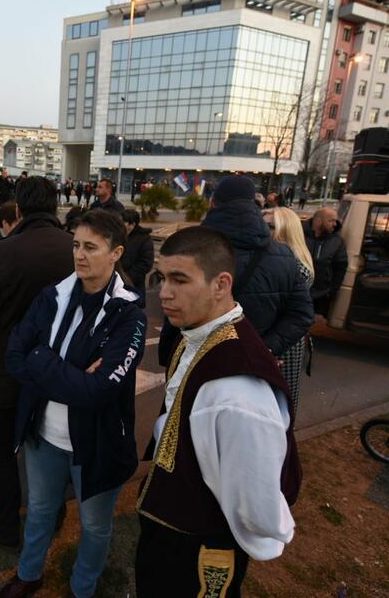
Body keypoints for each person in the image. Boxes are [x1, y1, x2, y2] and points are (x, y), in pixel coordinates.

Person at [135, 226, 301, 596]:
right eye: (162, 278)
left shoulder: (238, 390)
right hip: (172, 525)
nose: (164, 292)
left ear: (221, 284)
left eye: (180, 279)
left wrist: (251, 537)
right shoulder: (200, 334)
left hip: (199, 545)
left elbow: (255, 498)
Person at [0, 210, 146, 598]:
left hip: (96, 442)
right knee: (41, 510)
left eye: (91, 247)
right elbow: (14, 354)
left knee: (95, 526)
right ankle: (29, 575)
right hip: (44, 434)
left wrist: (42, 360)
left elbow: (98, 392)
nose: (80, 255)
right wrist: (71, 374)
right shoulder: (53, 296)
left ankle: (84, 587)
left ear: (115, 253)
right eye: (77, 245)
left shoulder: (128, 313)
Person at [0, 176, 74, 548]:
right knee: (51, 443)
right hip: (61, 367)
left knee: (3, 449)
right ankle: (52, 514)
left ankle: (5, 522)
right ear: (55, 207)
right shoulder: (79, 249)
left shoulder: (0, 253)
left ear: (18, 209)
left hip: (7, 365)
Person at [159, 175, 314, 365]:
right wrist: (265, 348)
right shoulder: (284, 255)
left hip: (195, 358)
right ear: (255, 203)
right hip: (250, 365)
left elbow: (175, 304)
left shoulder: (193, 247)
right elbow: (302, 314)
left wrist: (169, 352)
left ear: (212, 203)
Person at [269, 207, 314, 413]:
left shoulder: (293, 264)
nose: (263, 230)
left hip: (283, 342)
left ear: (284, 230)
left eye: (270, 226)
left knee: (278, 401)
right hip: (283, 338)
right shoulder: (290, 259)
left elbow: (291, 311)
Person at [303, 207, 348, 318]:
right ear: (318, 221)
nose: (335, 224)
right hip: (297, 291)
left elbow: (340, 267)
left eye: (335, 220)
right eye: (330, 220)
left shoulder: (337, 241)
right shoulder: (299, 234)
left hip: (320, 295)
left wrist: (332, 291)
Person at [120, 209, 154, 307]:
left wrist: (126, 277)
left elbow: (145, 264)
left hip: (134, 286)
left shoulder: (144, 239)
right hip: (116, 284)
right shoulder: (117, 236)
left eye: (123, 222)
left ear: (132, 225)